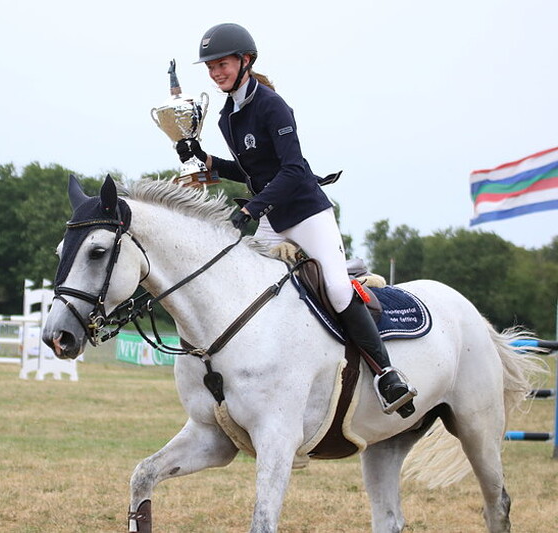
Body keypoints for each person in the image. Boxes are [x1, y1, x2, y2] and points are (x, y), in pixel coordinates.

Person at [175, 22, 416, 418]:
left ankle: (388, 375)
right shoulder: (226, 118)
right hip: (273, 215)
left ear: (245, 60)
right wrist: (203, 158)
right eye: (211, 67)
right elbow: (251, 172)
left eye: (222, 64)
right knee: (248, 293)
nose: (216, 72)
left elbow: (291, 171)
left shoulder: (272, 105)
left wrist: (252, 208)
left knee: (338, 290)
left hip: (306, 211)